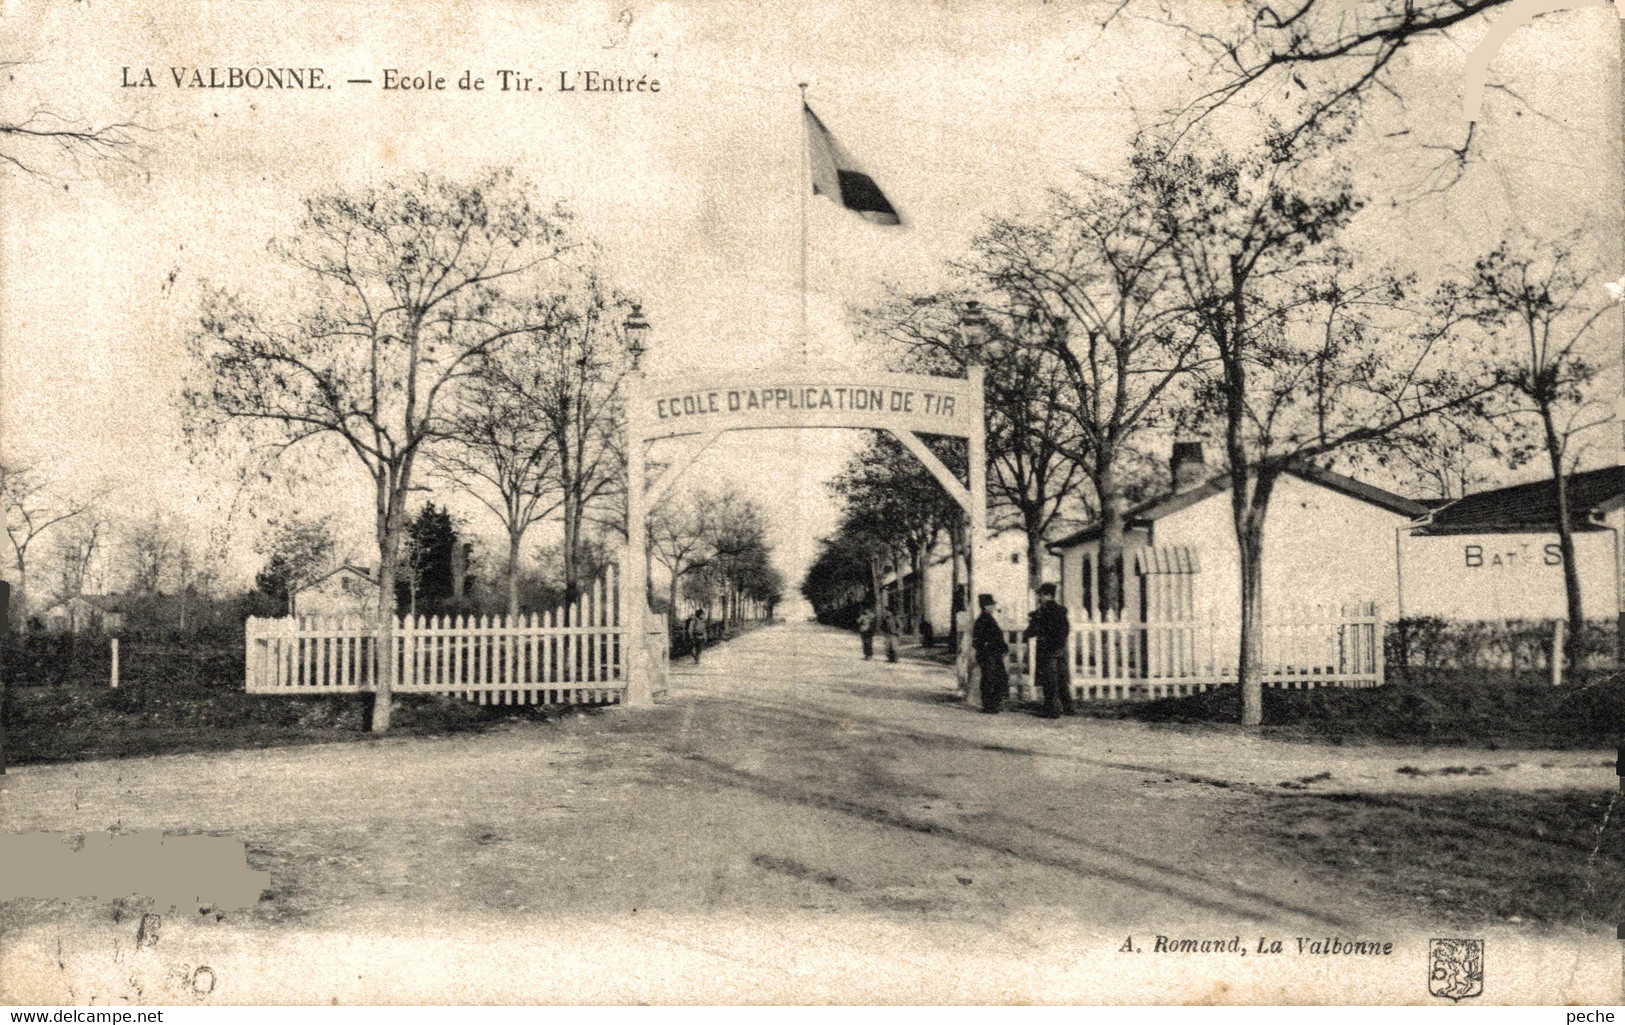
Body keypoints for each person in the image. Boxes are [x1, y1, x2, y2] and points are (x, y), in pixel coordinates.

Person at [1024, 582, 1075, 718]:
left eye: (1040, 595)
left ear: (1047, 595)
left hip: (1048, 650)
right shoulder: (1060, 610)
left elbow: (1034, 630)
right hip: (1060, 649)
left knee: (1050, 680)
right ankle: (1068, 707)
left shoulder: (1043, 611)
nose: (1038, 598)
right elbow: (1065, 630)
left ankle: (1052, 710)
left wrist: (1028, 633)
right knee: (1062, 679)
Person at [971, 593, 1009, 713]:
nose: (994, 606)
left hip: (994, 654)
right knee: (989, 679)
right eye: (992, 604)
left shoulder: (988, 618)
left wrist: (1002, 647)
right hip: (988, 655)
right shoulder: (982, 620)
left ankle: (995, 703)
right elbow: (978, 640)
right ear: (986, 606)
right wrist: (990, 647)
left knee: (999, 678)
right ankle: (989, 705)